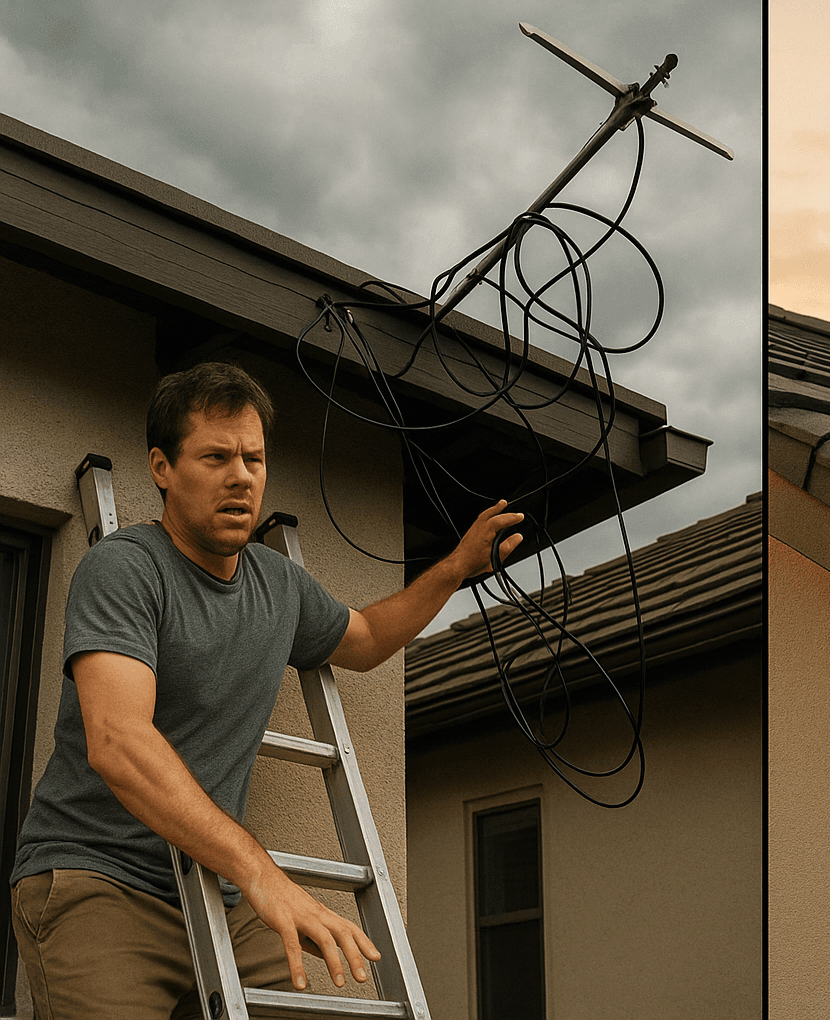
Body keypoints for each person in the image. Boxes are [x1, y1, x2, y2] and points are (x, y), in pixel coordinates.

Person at [10, 361, 523, 1018]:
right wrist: (260, 874)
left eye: (253, 459)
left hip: (215, 895)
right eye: (216, 457)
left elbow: (366, 638)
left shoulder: (279, 585)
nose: (241, 476)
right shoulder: (126, 569)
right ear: (163, 468)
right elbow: (118, 740)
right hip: (99, 879)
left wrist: (455, 568)